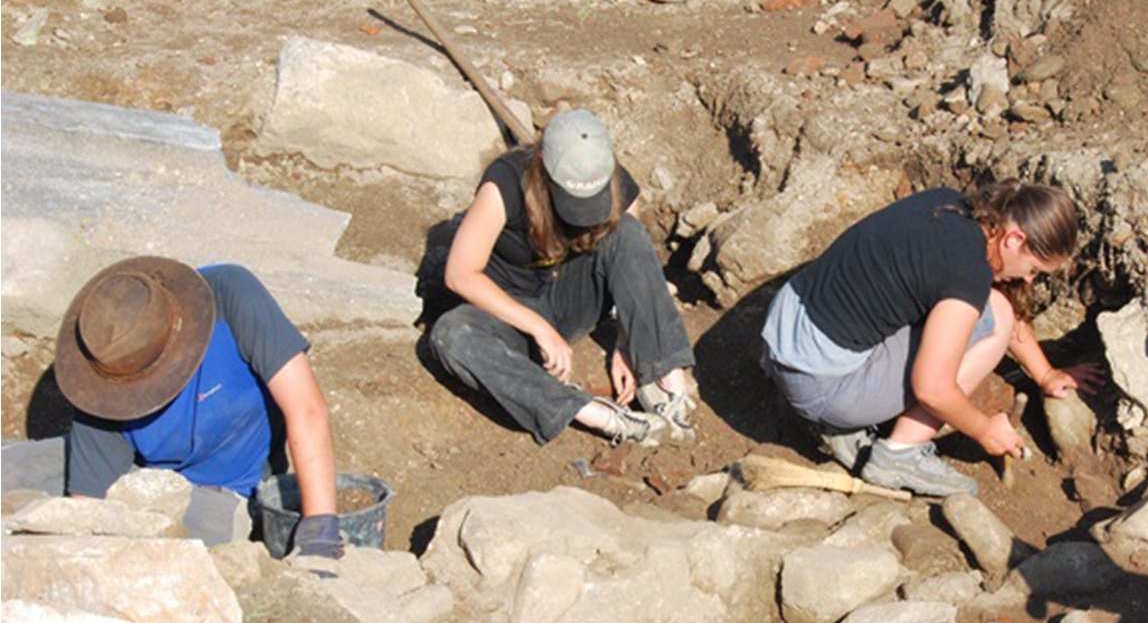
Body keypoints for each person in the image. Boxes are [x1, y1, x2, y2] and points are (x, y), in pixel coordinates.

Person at [759, 179, 1101, 497]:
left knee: (989, 306)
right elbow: (933, 389)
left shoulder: (949, 203)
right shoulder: (967, 272)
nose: (1028, 280)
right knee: (994, 322)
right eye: (1034, 270)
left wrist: (1044, 374)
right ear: (1015, 240)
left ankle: (846, 417)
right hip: (821, 387)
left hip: (782, 333)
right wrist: (984, 430)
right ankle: (899, 453)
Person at [429, 109, 696, 447]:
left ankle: (666, 385)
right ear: (543, 164)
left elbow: (630, 259)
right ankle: (600, 415)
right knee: (452, 335)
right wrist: (539, 328)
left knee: (627, 231)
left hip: (571, 296)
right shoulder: (504, 184)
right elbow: (460, 274)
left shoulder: (608, 174)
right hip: (508, 313)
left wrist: (626, 342)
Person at [51, 256, 342, 558]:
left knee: (173, 548)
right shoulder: (100, 369)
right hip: (143, 482)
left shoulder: (231, 299)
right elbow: (88, 508)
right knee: (19, 477)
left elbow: (306, 408)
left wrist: (319, 532)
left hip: (223, 492)